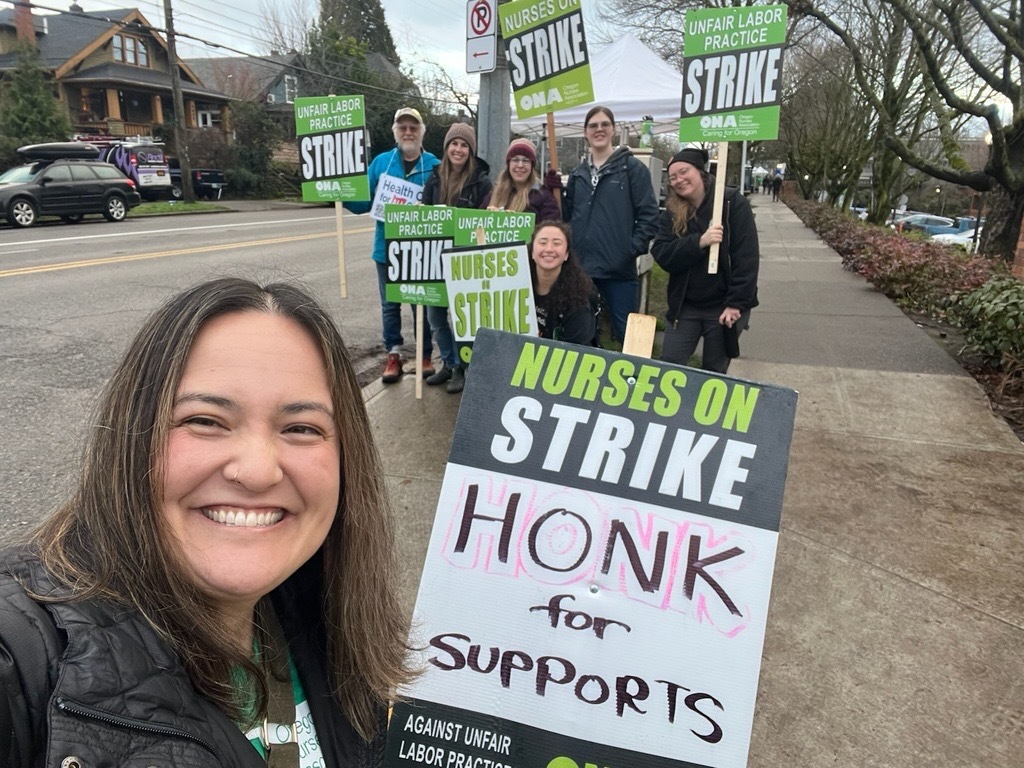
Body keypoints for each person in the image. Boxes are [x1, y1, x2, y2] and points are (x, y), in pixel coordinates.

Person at [0, 277, 412, 766]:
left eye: (301, 428)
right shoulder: (21, 656)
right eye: (205, 421)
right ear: (133, 436)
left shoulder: (331, 617)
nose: (258, 471)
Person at [346, 106, 439, 384]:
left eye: (413, 127)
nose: (408, 132)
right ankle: (394, 355)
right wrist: (339, 192)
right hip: (386, 249)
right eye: (403, 127)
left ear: (422, 132)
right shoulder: (381, 163)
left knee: (420, 303)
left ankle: (423, 354)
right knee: (390, 305)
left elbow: (445, 203)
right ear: (395, 131)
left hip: (421, 250)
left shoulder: (434, 166)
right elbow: (363, 201)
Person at [651, 148, 759, 374]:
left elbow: (746, 258)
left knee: (714, 371)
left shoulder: (731, 204)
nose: (679, 180)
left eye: (684, 172)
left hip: (723, 308)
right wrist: (699, 242)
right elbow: (662, 253)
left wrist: (736, 303)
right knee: (668, 366)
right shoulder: (671, 213)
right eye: (673, 177)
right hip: (686, 306)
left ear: (700, 172)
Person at [560, 106, 659, 343]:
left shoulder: (632, 169)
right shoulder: (578, 174)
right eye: (593, 125)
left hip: (619, 270)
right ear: (585, 132)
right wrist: (554, 190)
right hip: (582, 268)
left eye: (604, 124)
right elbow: (566, 216)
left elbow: (649, 215)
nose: (599, 129)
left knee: (629, 337)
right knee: (580, 334)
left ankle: (635, 378)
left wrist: (629, 250)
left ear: (613, 129)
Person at [421, 123, 493, 393]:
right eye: (454, 144)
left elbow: (485, 221)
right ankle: (449, 364)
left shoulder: (482, 182)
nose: (458, 149)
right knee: (435, 318)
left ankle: (464, 367)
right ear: (446, 147)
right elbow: (424, 214)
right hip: (434, 261)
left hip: (465, 264)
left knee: (462, 320)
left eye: (464, 145)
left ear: (471, 150)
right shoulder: (434, 178)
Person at [529, 220, 600, 346]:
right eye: (543, 242)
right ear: (532, 252)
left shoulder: (579, 300)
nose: (549, 249)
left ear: (566, 254)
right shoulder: (515, 285)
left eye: (557, 243)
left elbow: (578, 352)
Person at [484, 138, 561, 223]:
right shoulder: (494, 194)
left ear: (532, 166)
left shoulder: (543, 196)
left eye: (525, 160)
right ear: (508, 164)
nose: (520, 165)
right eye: (515, 160)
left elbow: (552, 228)